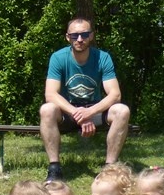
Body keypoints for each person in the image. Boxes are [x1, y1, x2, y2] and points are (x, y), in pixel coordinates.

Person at [40, 17, 131, 182]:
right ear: (68, 37)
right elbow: (51, 94)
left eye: (84, 34)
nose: (80, 39)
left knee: (122, 110)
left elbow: (115, 94)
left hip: (94, 111)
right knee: (47, 109)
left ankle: (109, 169)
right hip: (68, 112)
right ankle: (54, 169)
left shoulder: (103, 58)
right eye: (75, 35)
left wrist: (89, 112)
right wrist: (78, 114)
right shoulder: (58, 58)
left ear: (91, 36)